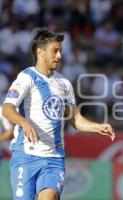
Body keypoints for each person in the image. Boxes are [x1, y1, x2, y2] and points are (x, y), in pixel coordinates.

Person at [2, 29, 115, 200]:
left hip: (54, 158)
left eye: (60, 51)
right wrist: (23, 122)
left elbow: (75, 118)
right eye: (55, 51)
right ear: (40, 52)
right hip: (25, 156)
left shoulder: (64, 84)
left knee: (50, 196)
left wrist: (97, 126)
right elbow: (7, 108)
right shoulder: (26, 78)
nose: (59, 55)